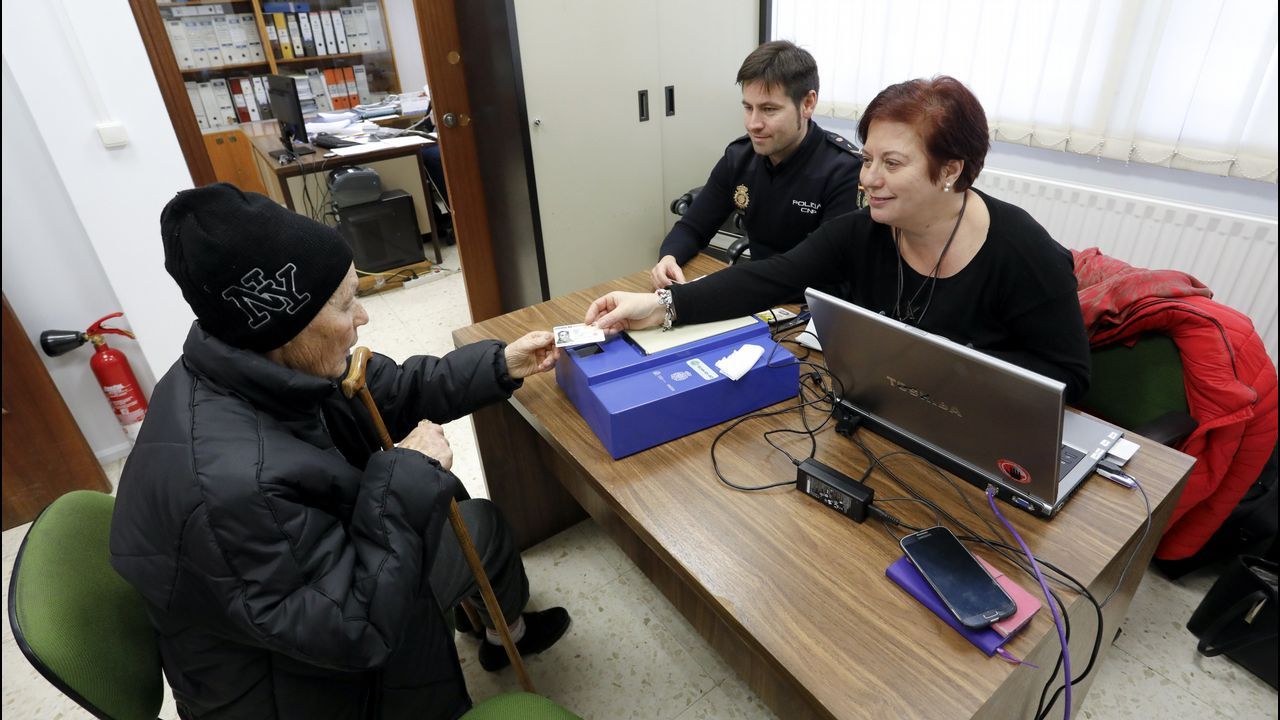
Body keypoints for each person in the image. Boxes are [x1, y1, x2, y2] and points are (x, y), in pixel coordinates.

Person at [109, 184, 571, 719]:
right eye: (347, 303)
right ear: (286, 324)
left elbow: (394, 389)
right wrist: (407, 473)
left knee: (479, 525)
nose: (364, 318)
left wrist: (500, 364)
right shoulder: (232, 488)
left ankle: (502, 632)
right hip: (309, 687)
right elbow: (355, 631)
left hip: (323, 586)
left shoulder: (260, 365)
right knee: (445, 510)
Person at [589, 76, 1091, 402]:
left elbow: (1071, 380)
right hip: (885, 409)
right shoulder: (866, 229)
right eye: (867, 158)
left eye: (891, 164)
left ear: (951, 171)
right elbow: (771, 277)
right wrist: (661, 306)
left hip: (976, 434)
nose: (867, 179)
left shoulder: (1023, 252)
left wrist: (947, 369)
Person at [651, 40, 863, 289]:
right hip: (757, 295)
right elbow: (692, 227)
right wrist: (669, 257)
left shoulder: (844, 170)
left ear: (807, 104)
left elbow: (819, 268)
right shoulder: (739, 157)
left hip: (812, 306)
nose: (753, 123)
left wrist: (723, 288)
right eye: (748, 108)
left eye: (769, 109)